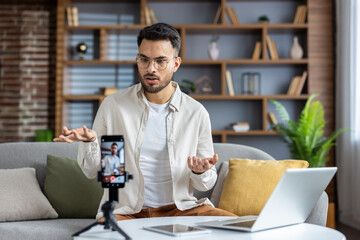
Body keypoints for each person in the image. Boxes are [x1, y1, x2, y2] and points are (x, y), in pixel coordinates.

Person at [54, 23, 237, 220]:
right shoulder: (114, 107)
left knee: (236, 227)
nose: (151, 69)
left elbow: (205, 184)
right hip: (127, 212)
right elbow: (97, 173)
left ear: (176, 63)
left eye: (160, 61)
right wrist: (90, 143)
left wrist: (200, 172)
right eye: (144, 60)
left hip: (180, 210)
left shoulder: (195, 113)